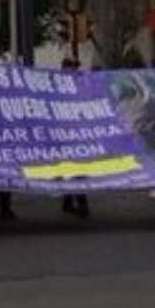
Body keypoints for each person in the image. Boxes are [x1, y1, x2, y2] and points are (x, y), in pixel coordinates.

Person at [59, 57, 90, 220]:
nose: (74, 71)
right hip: (64, 136)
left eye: (75, 68)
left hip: (78, 134)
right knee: (71, 169)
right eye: (71, 68)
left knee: (77, 169)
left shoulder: (81, 85)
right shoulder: (55, 87)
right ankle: (78, 201)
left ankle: (72, 200)